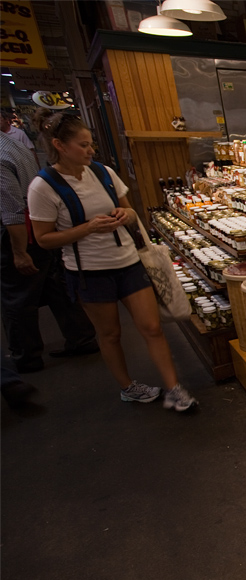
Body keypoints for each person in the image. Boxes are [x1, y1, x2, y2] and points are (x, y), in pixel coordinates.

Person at [27, 110, 197, 411]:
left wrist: (125, 215)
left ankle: (174, 388)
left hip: (128, 262)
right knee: (110, 334)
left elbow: (130, 211)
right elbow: (42, 239)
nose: (90, 150)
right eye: (82, 145)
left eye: (91, 143)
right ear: (59, 145)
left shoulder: (104, 173)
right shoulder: (43, 187)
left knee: (152, 327)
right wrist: (87, 228)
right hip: (88, 272)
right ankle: (127, 387)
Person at [1, 126, 98, 374]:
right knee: (56, 286)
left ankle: (26, 357)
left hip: (20, 232)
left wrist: (19, 251)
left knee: (18, 297)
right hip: (37, 223)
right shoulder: (12, 144)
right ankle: (82, 337)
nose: (90, 150)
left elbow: (11, 210)